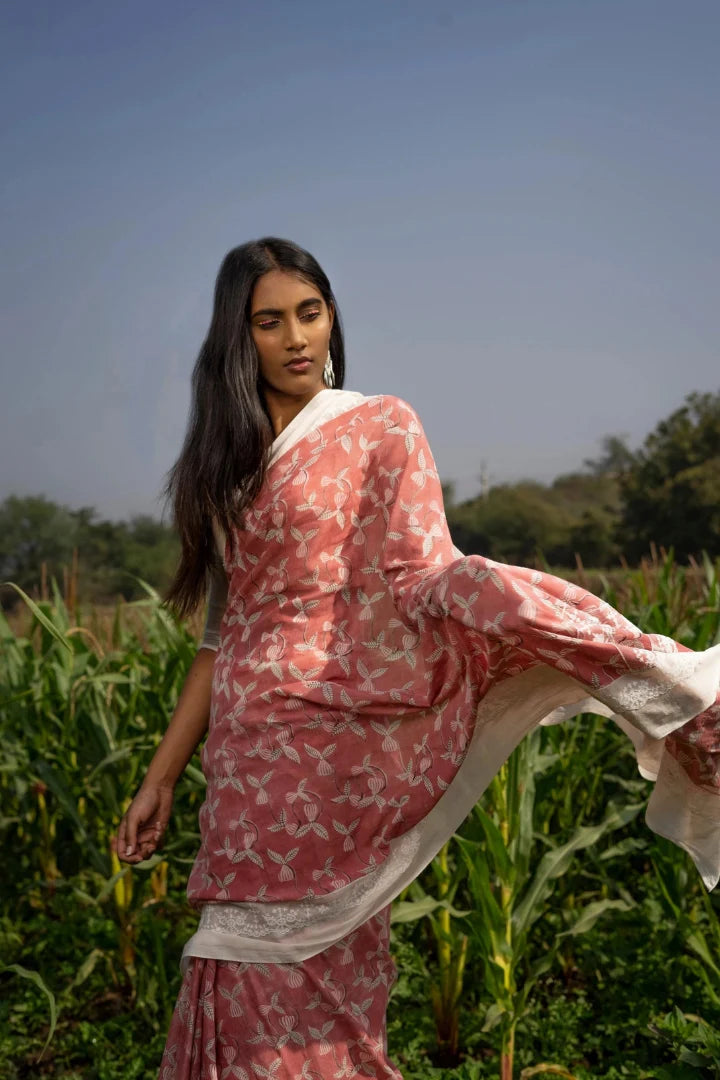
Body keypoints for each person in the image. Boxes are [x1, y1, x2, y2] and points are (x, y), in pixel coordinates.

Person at [115, 237, 720, 1080]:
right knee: (234, 955)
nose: (295, 338)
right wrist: (161, 775)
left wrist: (505, 602)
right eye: (268, 322)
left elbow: (417, 570)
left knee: (316, 973)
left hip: (333, 749)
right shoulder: (223, 463)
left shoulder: (379, 426)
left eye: (310, 313)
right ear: (235, 336)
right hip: (246, 760)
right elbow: (222, 636)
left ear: (331, 318)